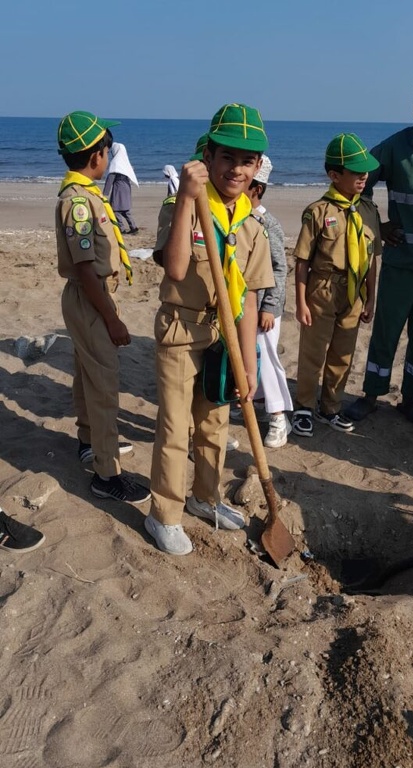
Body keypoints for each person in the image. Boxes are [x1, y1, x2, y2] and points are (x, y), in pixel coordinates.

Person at [145, 103, 274, 556]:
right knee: (176, 426)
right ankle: (163, 513)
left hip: (223, 340)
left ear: (257, 167)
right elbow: (177, 269)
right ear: (209, 157)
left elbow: (250, 298)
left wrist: (249, 364)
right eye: (227, 158)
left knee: (214, 425)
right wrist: (184, 198)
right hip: (181, 331)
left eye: (247, 161)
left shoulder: (251, 227)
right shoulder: (184, 207)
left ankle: (205, 497)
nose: (236, 169)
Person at [55, 110, 150, 504]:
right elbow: (83, 267)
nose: (108, 157)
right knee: (104, 385)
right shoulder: (78, 203)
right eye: (107, 151)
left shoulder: (87, 195)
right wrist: (111, 318)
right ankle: (107, 473)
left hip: (89, 295)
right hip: (91, 296)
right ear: (97, 155)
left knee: (85, 374)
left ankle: (88, 441)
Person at [346, 69, 413, 426]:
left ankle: (411, 397)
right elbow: (357, 184)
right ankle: (371, 394)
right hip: (402, 261)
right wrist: (379, 225)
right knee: (387, 329)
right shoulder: (394, 147)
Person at [291, 133, 381, 438]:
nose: (364, 176)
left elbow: (372, 259)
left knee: (343, 353)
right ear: (334, 175)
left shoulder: (369, 211)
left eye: (365, 170)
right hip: (323, 288)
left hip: (355, 292)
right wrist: (301, 302)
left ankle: (330, 406)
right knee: (313, 351)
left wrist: (370, 299)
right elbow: (302, 261)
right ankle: (303, 406)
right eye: (356, 172)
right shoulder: (318, 212)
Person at [243, 155, 293, 447]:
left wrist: (270, 307)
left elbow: (279, 267)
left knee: (268, 358)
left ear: (257, 188)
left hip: (264, 309)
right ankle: (261, 404)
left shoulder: (266, 222)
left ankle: (278, 416)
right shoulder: (235, 217)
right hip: (243, 307)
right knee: (252, 359)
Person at [104, 142, 139, 234]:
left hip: (118, 188)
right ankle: (133, 227)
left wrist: (105, 193)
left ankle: (122, 229)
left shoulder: (115, 162)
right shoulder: (125, 161)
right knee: (126, 210)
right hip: (127, 187)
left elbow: (110, 178)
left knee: (115, 209)